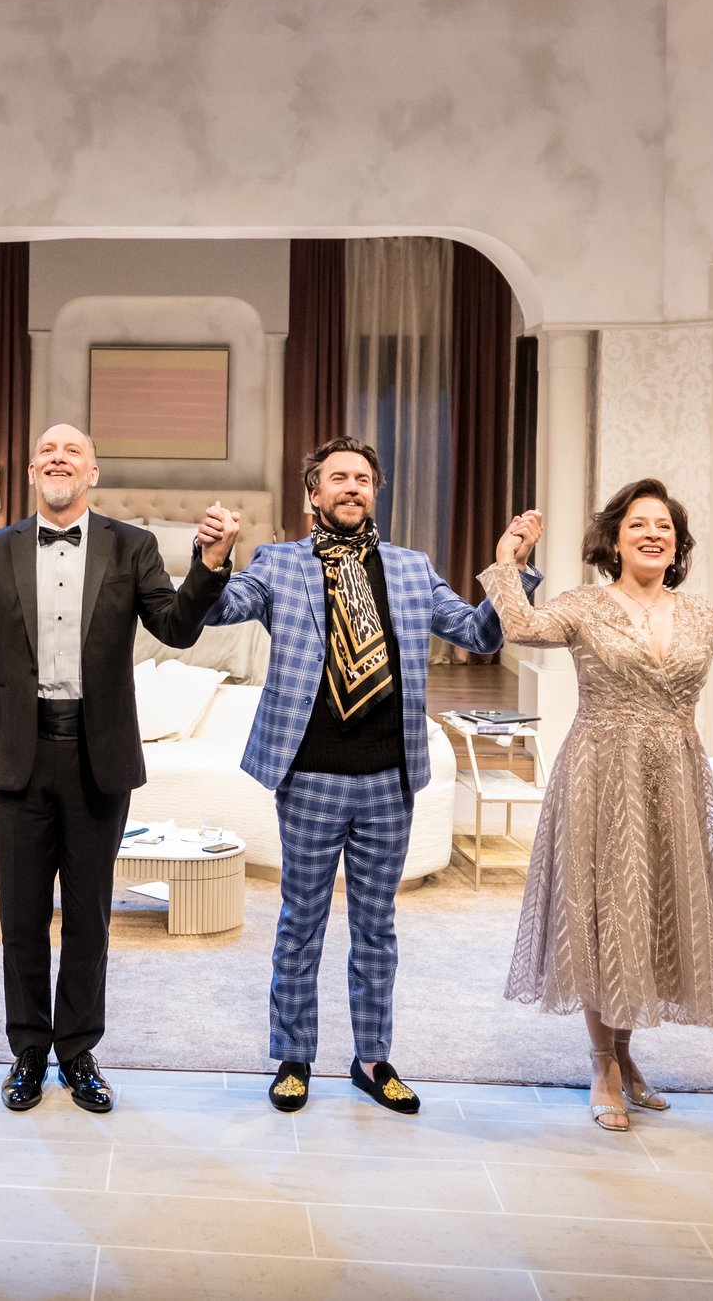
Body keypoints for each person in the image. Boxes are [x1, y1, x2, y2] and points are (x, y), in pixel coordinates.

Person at [0, 425, 237, 1115]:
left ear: (92, 472)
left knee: (88, 916)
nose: (57, 458)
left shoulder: (130, 546)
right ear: (30, 471)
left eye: (71, 451)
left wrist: (210, 562)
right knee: (20, 917)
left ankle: (78, 1052)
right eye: (47, 451)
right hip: (18, 756)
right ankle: (27, 1052)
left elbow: (176, 626)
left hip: (96, 754)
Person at [208, 435, 539, 1116]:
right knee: (300, 922)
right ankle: (294, 1057)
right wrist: (213, 560)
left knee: (377, 927)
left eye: (362, 477)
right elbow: (216, 610)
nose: (351, 487)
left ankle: (372, 1058)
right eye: (337, 477)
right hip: (311, 775)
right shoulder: (278, 563)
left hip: (389, 777)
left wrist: (509, 568)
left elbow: (479, 634)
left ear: (374, 490)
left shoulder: (413, 569)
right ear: (314, 495)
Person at [482, 484, 713, 1130]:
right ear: (614, 539)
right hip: (599, 773)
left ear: (678, 544)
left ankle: (628, 1054)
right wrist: (509, 558)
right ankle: (601, 1059)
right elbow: (520, 625)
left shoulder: (700, 615)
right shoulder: (583, 604)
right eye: (639, 524)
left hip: (674, 777)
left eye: (664, 525)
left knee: (652, 915)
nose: (653, 533)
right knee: (606, 914)